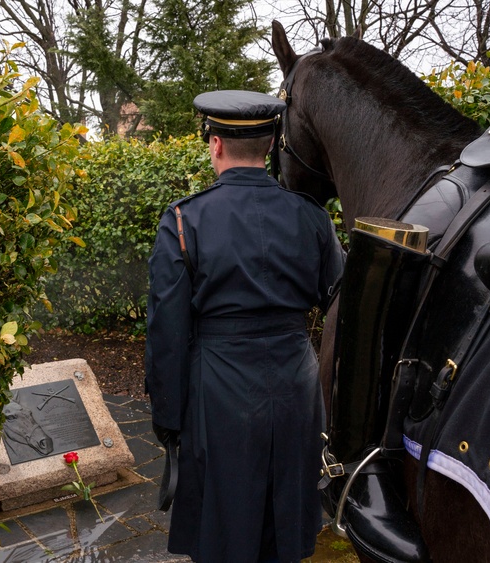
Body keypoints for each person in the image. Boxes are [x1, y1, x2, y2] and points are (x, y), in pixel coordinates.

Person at [144, 90, 344, 562]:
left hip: (220, 390)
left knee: (225, 522)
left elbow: (167, 332)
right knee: (286, 515)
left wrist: (169, 420)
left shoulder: (183, 220)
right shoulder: (313, 218)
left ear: (214, 144)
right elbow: (339, 297)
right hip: (296, 384)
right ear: (273, 144)